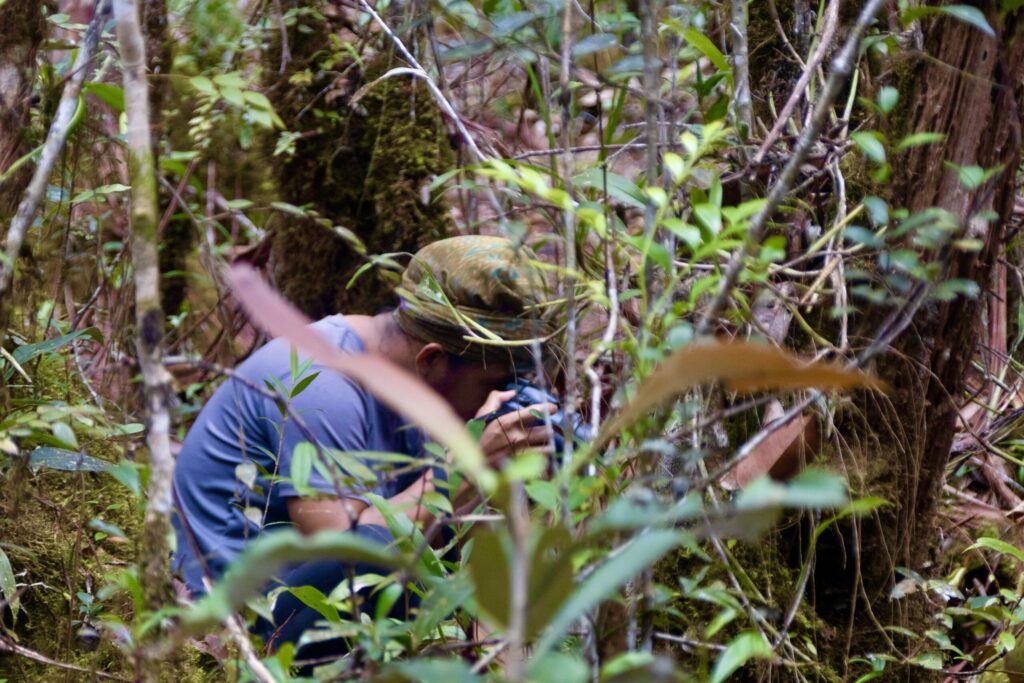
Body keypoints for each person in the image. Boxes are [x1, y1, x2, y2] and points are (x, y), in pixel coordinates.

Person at [170, 234, 558, 655]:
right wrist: (465, 468)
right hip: (242, 623)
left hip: (333, 604)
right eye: (495, 384)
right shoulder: (320, 385)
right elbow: (344, 558)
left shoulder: (425, 385)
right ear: (431, 360)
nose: (499, 398)